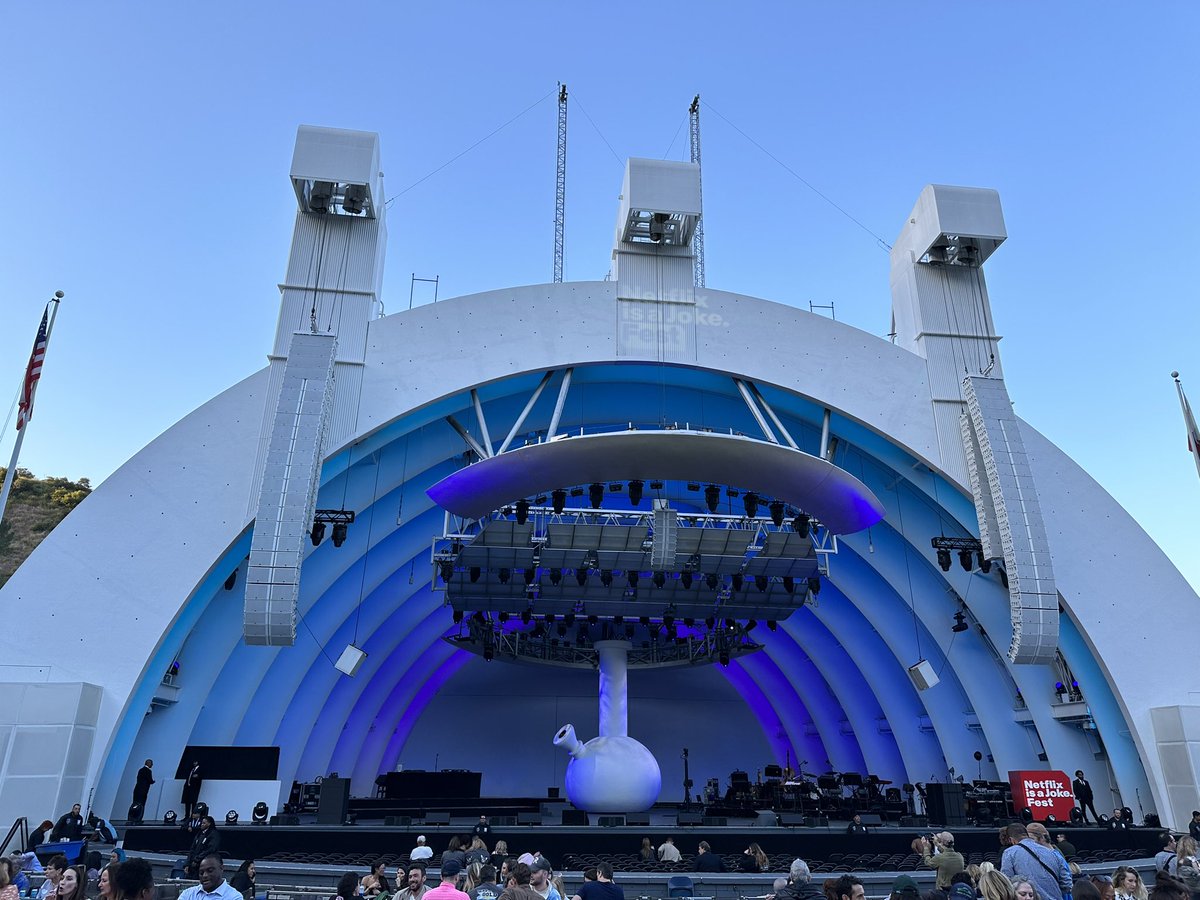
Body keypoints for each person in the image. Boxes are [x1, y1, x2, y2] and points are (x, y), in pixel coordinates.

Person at [1001, 823, 1072, 900]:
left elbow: (1007, 883)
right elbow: (1067, 885)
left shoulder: (1009, 853)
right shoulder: (1053, 853)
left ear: (1011, 840)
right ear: (1027, 835)